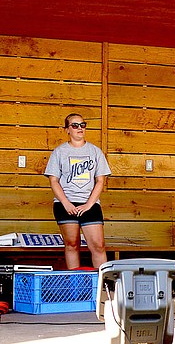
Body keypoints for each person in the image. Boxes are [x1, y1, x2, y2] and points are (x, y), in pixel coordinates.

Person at [44, 113, 111, 269]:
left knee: (98, 245)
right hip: (66, 204)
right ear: (67, 129)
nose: (79, 128)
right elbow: (53, 180)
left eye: (82, 125)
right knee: (72, 244)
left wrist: (89, 205)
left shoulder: (95, 151)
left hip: (90, 203)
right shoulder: (59, 152)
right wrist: (66, 203)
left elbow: (100, 181)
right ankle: (76, 288)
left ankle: (102, 288)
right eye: (75, 125)